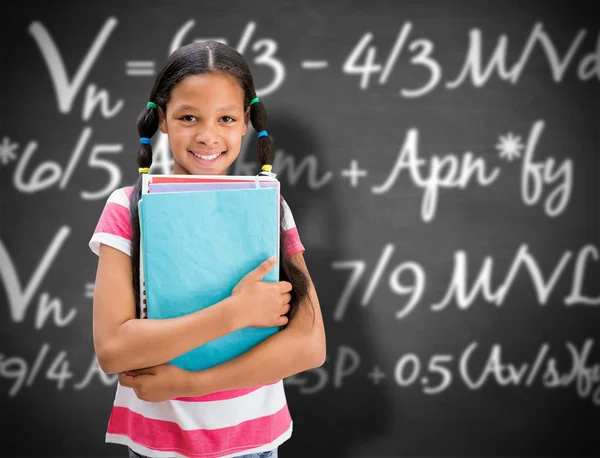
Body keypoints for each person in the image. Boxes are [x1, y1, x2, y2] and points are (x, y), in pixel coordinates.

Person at [88, 40, 326, 458]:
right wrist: (234, 313)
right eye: (188, 117)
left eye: (227, 118)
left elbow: (310, 345)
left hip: (255, 445)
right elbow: (112, 351)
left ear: (246, 123)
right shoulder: (128, 208)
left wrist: (190, 382)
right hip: (157, 447)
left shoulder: (271, 207)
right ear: (162, 119)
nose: (208, 135)